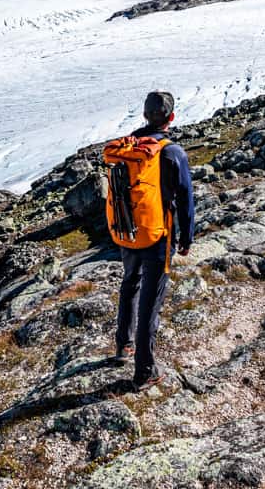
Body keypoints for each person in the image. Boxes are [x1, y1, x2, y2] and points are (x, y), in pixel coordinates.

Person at [113, 90, 195, 390]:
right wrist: (187, 237)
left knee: (130, 282)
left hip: (129, 230)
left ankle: (124, 344)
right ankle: (145, 370)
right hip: (159, 234)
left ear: (145, 115)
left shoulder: (131, 145)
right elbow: (185, 199)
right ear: (171, 118)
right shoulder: (172, 152)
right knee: (151, 298)